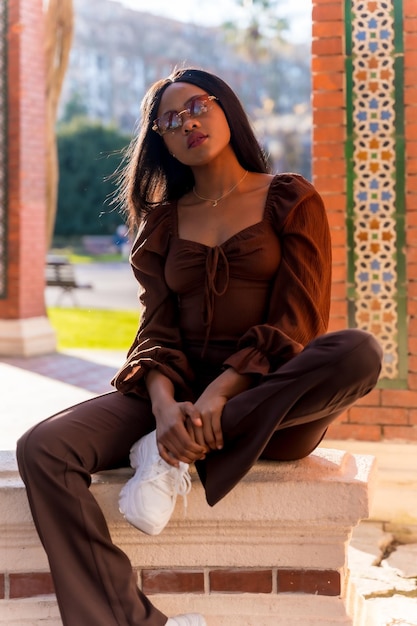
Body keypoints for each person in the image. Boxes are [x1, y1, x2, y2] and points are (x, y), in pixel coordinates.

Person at [16, 67, 383, 626]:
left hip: (269, 404)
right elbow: (157, 332)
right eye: (168, 120)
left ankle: (182, 453)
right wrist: (164, 409)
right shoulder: (162, 225)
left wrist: (219, 397)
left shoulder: (289, 199)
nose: (185, 122)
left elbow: (297, 323)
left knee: (357, 352)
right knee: (44, 448)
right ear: (159, 143)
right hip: (176, 394)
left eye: (196, 107)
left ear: (225, 109)